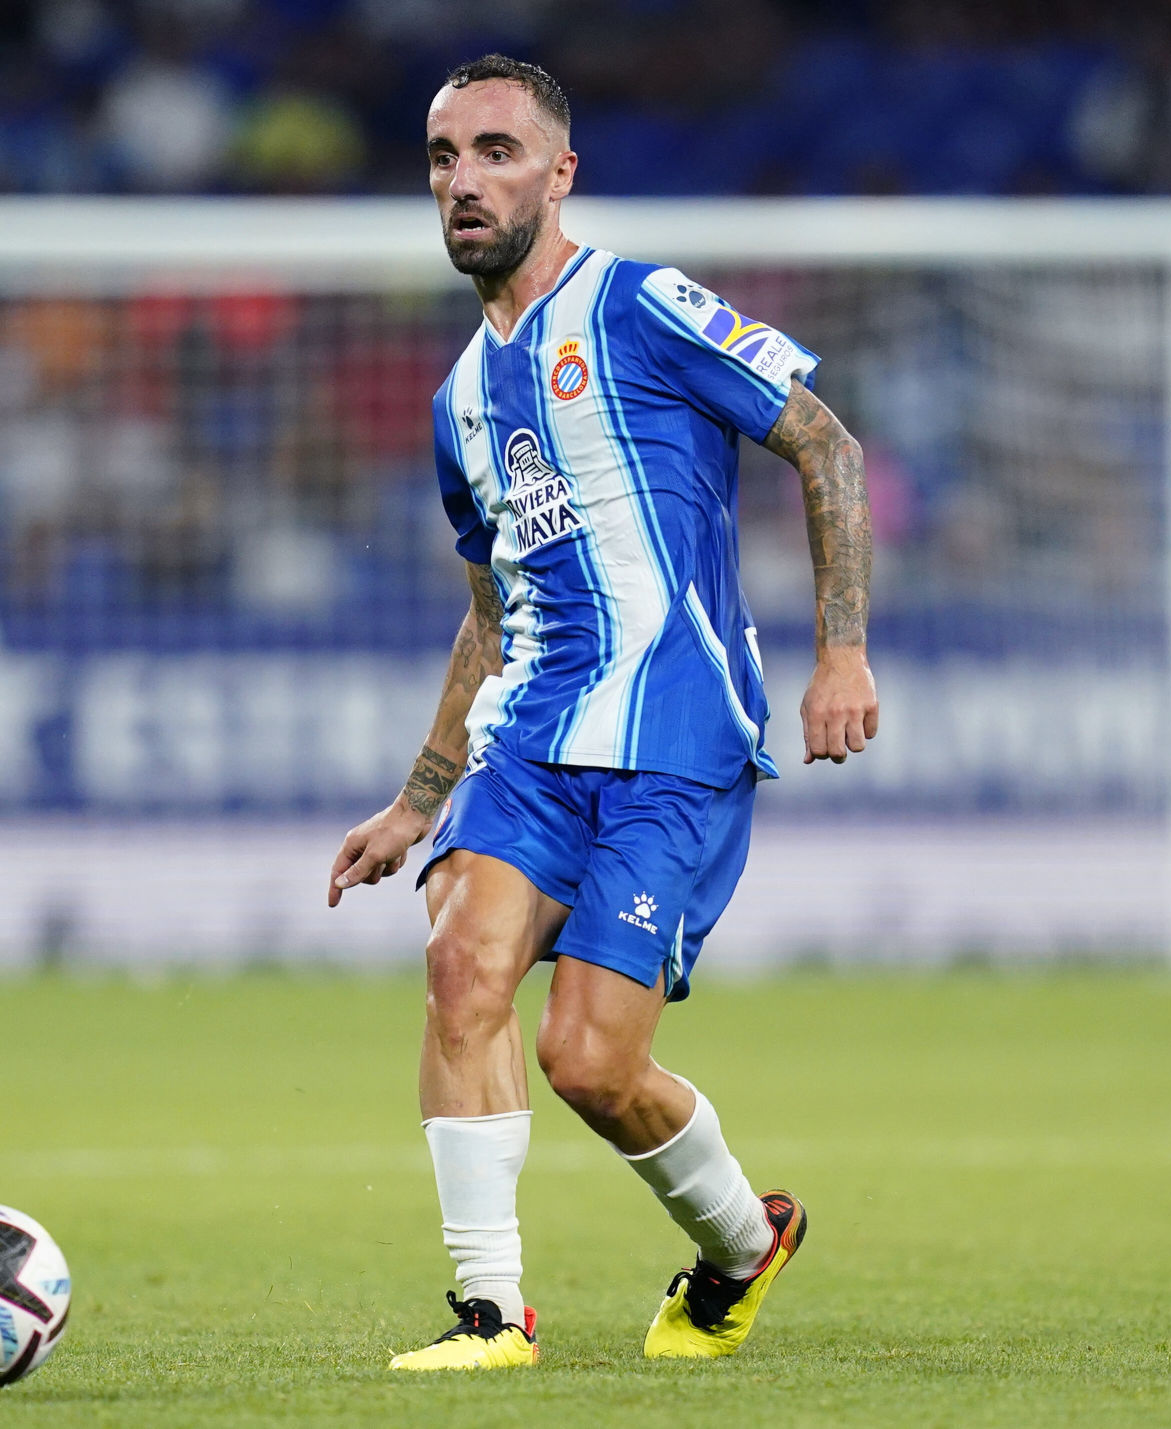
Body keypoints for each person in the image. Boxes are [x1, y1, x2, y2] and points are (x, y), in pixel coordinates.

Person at [328, 54, 877, 1371]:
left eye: (496, 152)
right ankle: (489, 1315)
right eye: (443, 157)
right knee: (459, 966)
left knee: (587, 1062)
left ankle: (741, 1243)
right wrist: (415, 799)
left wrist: (842, 652)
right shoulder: (459, 399)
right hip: (529, 738)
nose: (464, 181)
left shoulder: (640, 304)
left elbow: (825, 443)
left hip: (674, 737)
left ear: (560, 173)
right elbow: (488, 610)